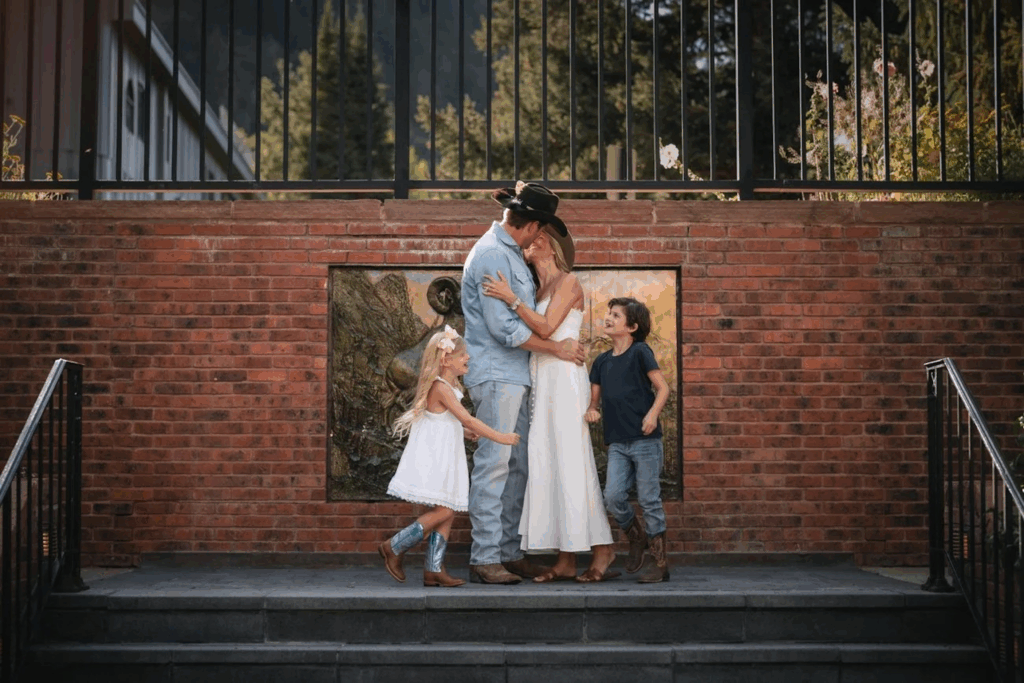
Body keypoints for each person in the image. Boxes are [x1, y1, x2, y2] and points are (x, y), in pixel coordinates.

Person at [460, 181, 586, 585]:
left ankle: (509, 553)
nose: (540, 236)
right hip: (497, 374)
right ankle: (484, 557)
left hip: (515, 376)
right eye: (541, 227)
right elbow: (504, 330)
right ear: (531, 225)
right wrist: (557, 350)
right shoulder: (493, 254)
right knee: (495, 466)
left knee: (516, 467)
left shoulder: (510, 253)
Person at [481, 227, 620, 583]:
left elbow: (544, 328)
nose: (533, 242)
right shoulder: (537, 289)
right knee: (548, 465)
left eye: (541, 238)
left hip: (565, 381)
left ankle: (602, 547)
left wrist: (511, 299)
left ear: (555, 247)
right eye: (531, 238)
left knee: (572, 463)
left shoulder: (568, 283)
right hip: (542, 382)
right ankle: (566, 559)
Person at [380, 325, 520, 588]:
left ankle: (433, 569)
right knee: (443, 509)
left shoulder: (447, 388)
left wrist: (465, 433)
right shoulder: (441, 387)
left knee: (448, 510)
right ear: (445, 360)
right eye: (462, 355)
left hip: (445, 456)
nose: (468, 358)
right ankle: (394, 546)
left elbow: (448, 420)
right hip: (436, 458)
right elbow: (466, 417)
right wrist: (501, 437)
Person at [585, 297, 672, 583]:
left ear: (632, 327)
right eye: (608, 313)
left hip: (645, 440)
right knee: (613, 497)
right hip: (618, 443)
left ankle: (659, 564)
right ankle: (636, 538)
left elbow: (662, 388)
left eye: (616, 315)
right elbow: (593, 401)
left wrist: (652, 415)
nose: (608, 318)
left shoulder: (640, 352)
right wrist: (591, 411)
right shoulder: (601, 362)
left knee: (649, 499)